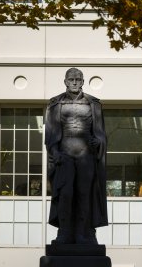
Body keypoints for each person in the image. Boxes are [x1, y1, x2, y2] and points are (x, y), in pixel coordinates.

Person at [45, 68, 108, 244]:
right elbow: (50, 134)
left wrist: (99, 141)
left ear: (83, 82)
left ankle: (84, 233)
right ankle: (64, 233)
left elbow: (101, 133)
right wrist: (55, 152)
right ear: (65, 81)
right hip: (64, 156)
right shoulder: (56, 104)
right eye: (71, 79)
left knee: (84, 194)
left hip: (86, 155)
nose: (74, 82)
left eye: (78, 79)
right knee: (65, 195)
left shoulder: (93, 104)